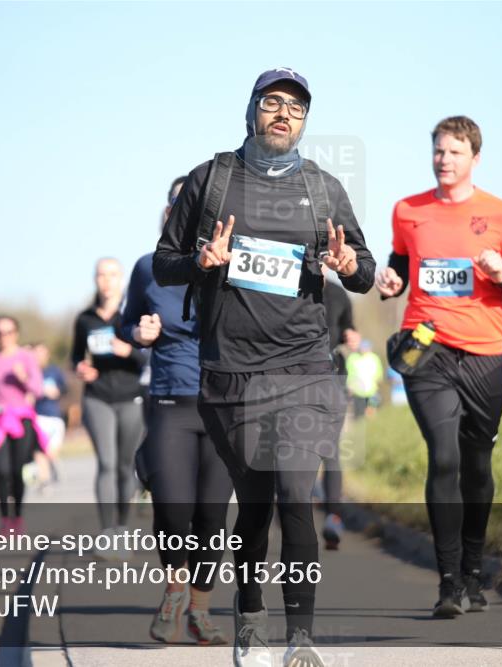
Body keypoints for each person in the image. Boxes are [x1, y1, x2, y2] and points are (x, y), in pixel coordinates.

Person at [154, 68, 375, 667]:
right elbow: (164, 263)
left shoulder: (324, 189)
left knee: (294, 494)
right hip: (230, 371)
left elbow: (363, 269)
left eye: (296, 109)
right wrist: (201, 259)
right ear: (252, 110)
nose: (284, 115)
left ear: (304, 123)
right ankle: (250, 623)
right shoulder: (213, 180)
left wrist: (349, 261)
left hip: (304, 368)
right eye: (273, 103)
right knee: (253, 505)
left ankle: (301, 638)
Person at [376, 115, 502, 617]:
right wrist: (391, 281)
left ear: (474, 157)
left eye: (454, 152)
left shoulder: (500, 213)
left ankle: (473, 570)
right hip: (427, 348)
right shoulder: (408, 211)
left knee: (476, 466)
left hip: (486, 354)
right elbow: (402, 263)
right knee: (443, 456)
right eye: (438, 151)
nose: (443, 160)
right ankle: (448, 582)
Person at [120, 175, 235, 646]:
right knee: (173, 511)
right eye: (177, 205)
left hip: (226, 403)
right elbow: (128, 322)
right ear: (169, 214)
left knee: (211, 517)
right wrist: (139, 335)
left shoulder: (235, 266)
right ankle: (174, 589)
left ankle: (201, 609)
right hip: (171, 398)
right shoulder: (149, 268)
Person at [71, 258, 146, 549]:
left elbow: (147, 358)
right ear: (95, 279)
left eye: (112, 274)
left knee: (125, 467)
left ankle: (123, 527)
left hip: (131, 396)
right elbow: (76, 356)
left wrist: (129, 350)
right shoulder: (85, 319)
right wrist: (80, 368)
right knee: (106, 463)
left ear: (121, 279)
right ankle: (107, 533)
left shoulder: (133, 314)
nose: (106, 280)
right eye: (101, 275)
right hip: (97, 396)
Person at [0, 315, 45, 535]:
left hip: (21, 419)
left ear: (16, 334)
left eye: (8, 332)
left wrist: (23, 378)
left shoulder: (26, 357)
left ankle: (17, 516)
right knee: (1, 470)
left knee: (18, 471)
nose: (4, 337)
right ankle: (4, 519)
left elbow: (37, 389)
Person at [320, 277, 357, 550]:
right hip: (291, 377)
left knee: (331, 450)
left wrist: (351, 337)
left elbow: (349, 328)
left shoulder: (336, 292)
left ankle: (333, 517)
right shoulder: (287, 282)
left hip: (332, 374)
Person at [31, 342, 67, 489]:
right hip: (37, 416)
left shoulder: (54, 371)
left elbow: (64, 389)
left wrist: (56, 392)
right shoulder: (30, 373)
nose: (39, 357)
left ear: (47, 354)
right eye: (36, 353)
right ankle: (44, 479)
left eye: (42, 353)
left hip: (54, 416)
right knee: (39, 449)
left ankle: (54, 466)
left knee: (51, 451)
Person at [345, 340, 383, 420]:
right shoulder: (353, 357)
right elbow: (349, 373)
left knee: (372, 413)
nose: (364, 350)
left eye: (366, 348)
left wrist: (378, 384)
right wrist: (349, 385)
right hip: (358, 392)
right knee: (359, 415)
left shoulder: (374, 358)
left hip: (372, 391)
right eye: (362, 348)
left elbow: (379, 374)